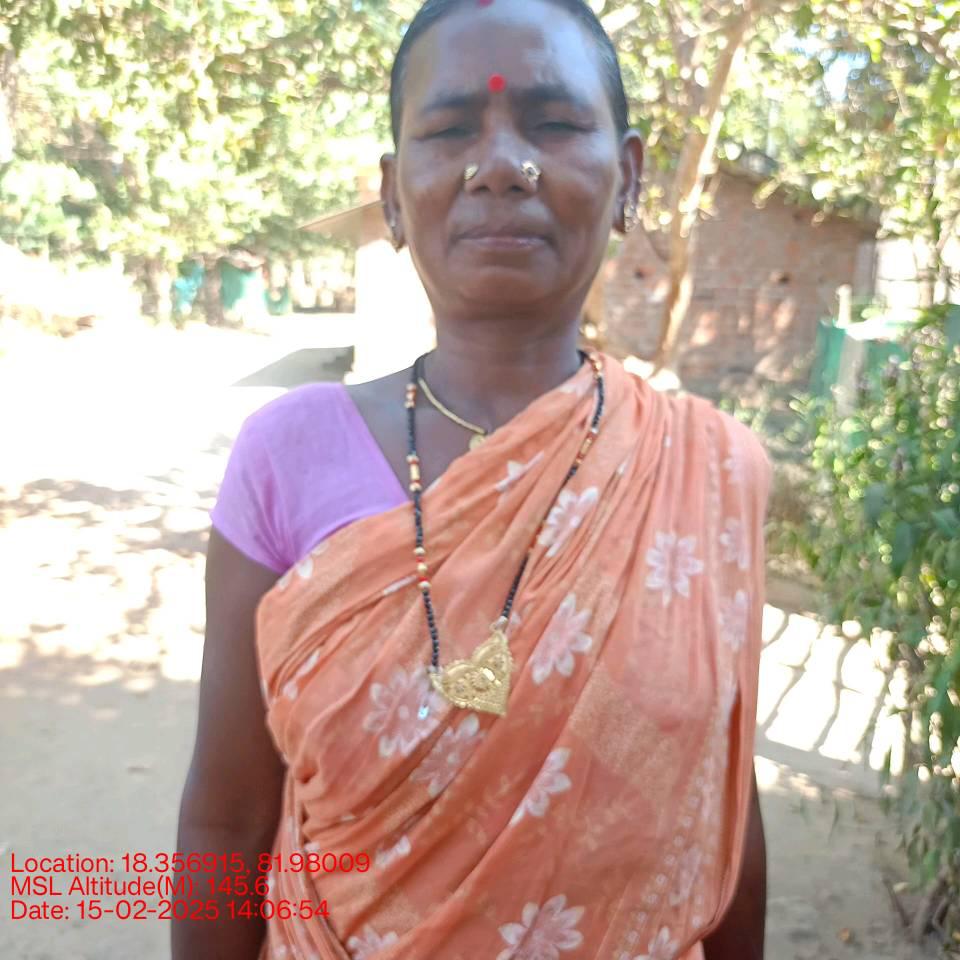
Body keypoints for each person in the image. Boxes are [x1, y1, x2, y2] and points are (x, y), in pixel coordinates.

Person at [173, 1, 772, 958]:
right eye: (450, 130)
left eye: (554, 123)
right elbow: (227, 820)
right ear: (394, 194)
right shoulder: (286, 456)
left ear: (627, 177)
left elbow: (721, 810)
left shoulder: (708, 470)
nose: (501, 164)